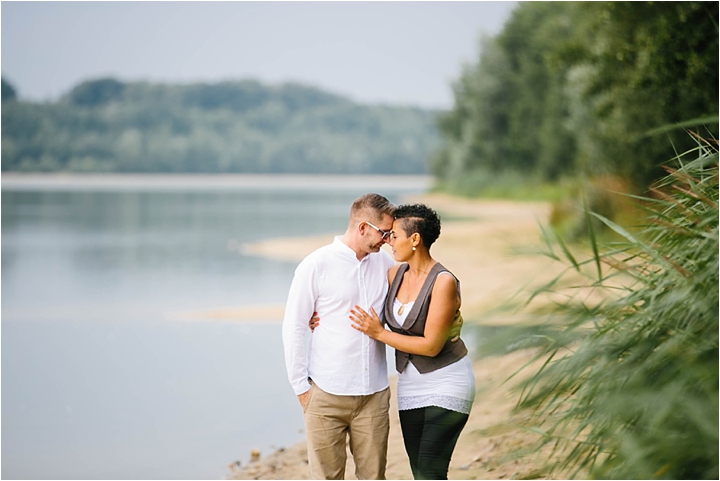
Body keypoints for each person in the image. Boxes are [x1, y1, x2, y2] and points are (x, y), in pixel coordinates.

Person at [349, 203, 475, 480]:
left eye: (394, 235)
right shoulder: (394, 275)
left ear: (415, 239)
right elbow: (356, 294)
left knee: (431, 470)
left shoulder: (443, 281)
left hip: (447, 381)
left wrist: (379, 334)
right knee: (419, 471)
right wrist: (316, 317)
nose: (388, 241)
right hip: (410, 385)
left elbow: (431, 346)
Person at [281, 193, 397, 480]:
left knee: (374, 477)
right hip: (325, 395)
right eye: (383, 233)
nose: (386, 240)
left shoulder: (385, 265)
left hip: (374, 394)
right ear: (362, 228)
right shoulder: (316, 265)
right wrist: (301, 389)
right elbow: (294, 326)